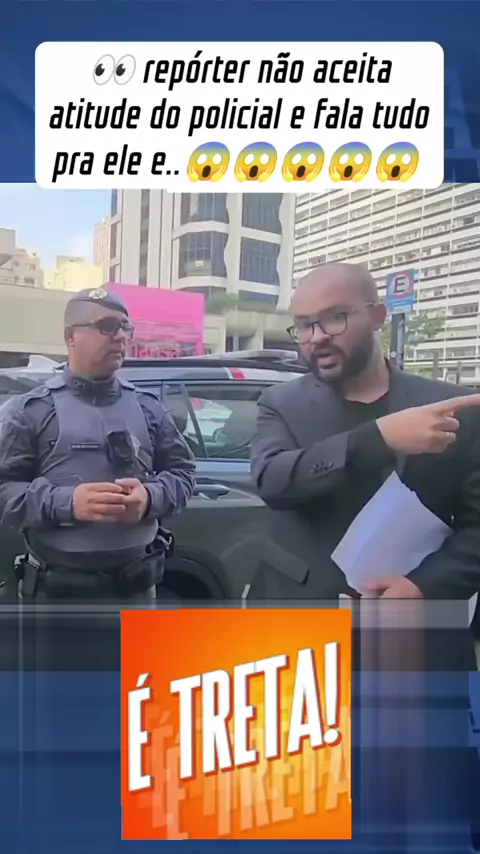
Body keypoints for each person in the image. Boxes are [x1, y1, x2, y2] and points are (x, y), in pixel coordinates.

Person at [250, 263, 480, 614]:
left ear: (377, 316)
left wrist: (424, 586)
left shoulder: (453, 408)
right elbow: (273, 481)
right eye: (304, 325)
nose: (317, 336)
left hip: (414, 623)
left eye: (335, 317)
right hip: (300, 612)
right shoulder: (280, 403)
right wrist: (378, 438)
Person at [0, 288, 196, 603]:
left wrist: (149, 498)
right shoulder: (31, 411)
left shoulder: (149, 407)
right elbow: (4, 490)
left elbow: (183, 474)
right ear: (71, 336)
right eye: (107, 326)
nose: (120, 336)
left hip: (137, 591)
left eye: (125, 327)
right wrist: (67, 503)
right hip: (56, 599)